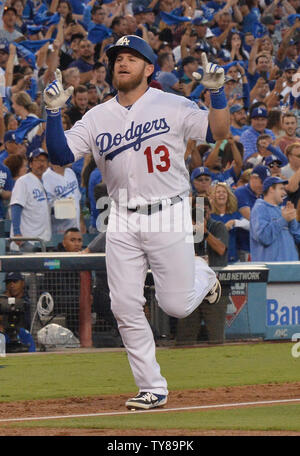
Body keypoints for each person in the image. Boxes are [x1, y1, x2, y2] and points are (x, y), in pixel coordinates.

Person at [43, 35, 229, 410]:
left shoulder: (173, 104)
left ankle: (204, 274)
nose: (122, 63)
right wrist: (51, 114)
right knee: (125, 304)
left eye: (131, 57)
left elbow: (218, 132)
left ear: (149, 68)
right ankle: (152, 387)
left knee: (175, 306)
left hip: (169, 211)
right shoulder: (97, 116)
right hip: (122, 217)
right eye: (117, 58)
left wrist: (218, 95)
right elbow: (61, 154)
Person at [9, 147, 51, 252]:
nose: (41, 164)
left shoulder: (44, 182)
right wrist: (17, 234)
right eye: (37, 160)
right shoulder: (23, 181)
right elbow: (16, 206)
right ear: (30, 164)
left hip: (41, 241)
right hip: (27, 240)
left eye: (44, 161)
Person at [250, 176, 300, 261]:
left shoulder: (283, 211)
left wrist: (292, 221)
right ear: (271, 189)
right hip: (272, 269)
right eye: (281, 189)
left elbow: (298, 238)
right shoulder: (259, 208)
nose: (284, 193)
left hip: (291, 267)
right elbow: (264, 237)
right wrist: (283, 220)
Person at [42, 162, 82, 235]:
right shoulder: (46, 177)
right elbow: (46, 208)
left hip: (76, 228)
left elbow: (77, 199)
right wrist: (64, 206)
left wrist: (81, 222)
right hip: (59, 231)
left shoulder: (70, 172)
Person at [1, 272, 35, 352]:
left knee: (25, 334)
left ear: (22, 283)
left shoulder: (28, 301)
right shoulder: (2, 300)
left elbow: (25, 323)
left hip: (20, 333)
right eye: (8, 282)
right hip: (4, 333)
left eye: (15, 282)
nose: (11, 285)